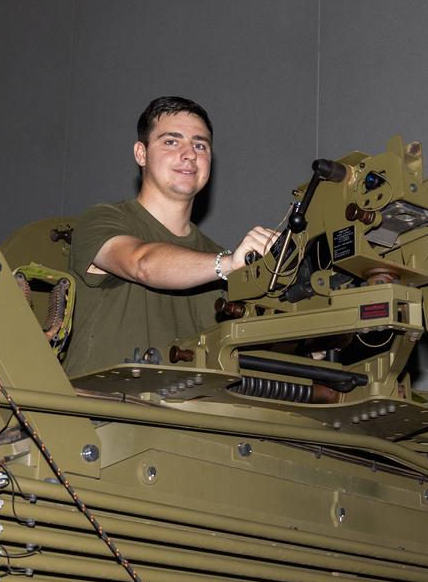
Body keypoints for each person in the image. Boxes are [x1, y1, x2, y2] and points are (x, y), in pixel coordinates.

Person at [64, 96, 276, 376]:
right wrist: (225, 265)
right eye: (171, 141)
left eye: (200, 145)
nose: (190, 154)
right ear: (141, 153)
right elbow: (142, 263)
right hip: (98, 413)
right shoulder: (103, 220)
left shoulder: (217, 258)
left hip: (182, 417)